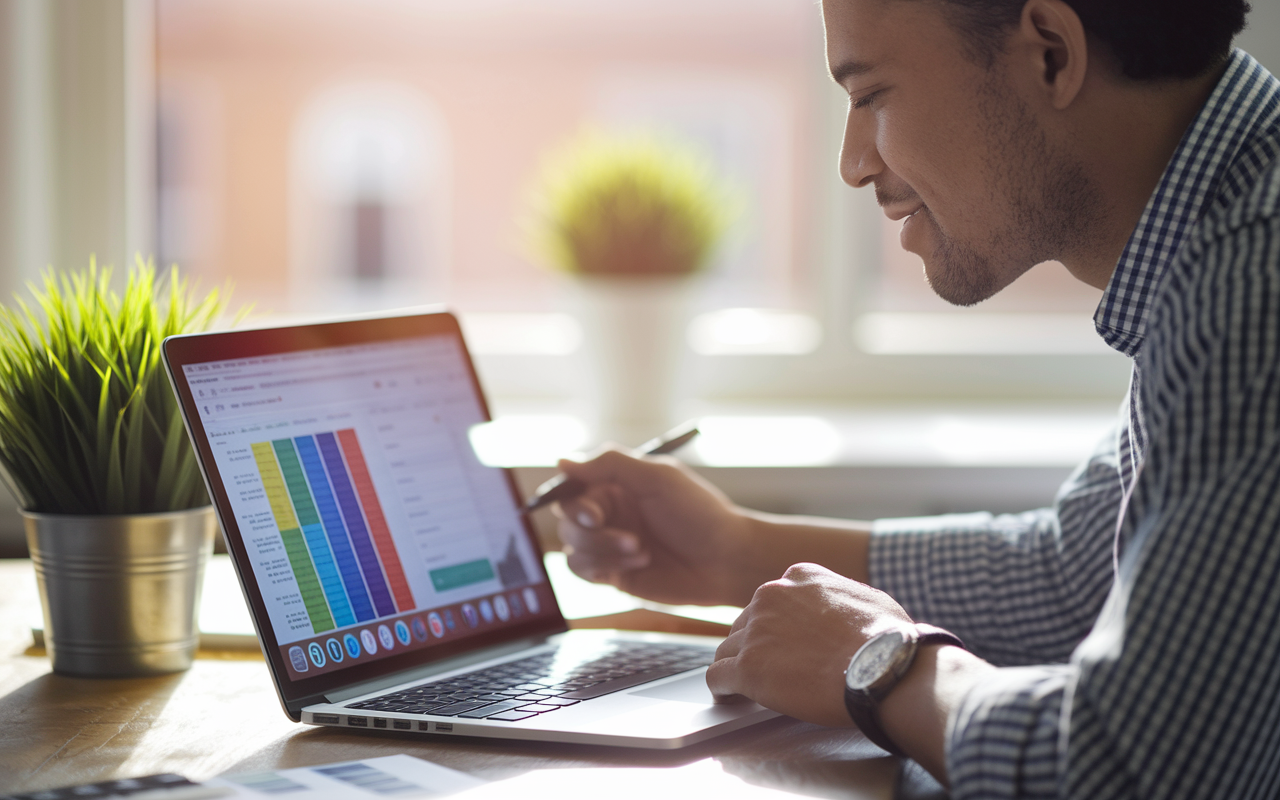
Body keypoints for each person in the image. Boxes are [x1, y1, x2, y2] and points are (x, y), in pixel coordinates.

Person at [553, 0, 1280, 797]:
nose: (852, 163)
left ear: (1049, 55)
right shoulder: (1220, 243)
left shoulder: (1250, 295)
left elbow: (1128, 766)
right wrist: (733, 551)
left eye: (870, 96)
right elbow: (1077, 576)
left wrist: (886, 665)